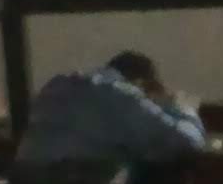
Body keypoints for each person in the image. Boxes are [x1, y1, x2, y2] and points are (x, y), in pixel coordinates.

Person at [15, 51, 207, 174]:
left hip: (26, 183)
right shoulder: (120, 92)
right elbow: (185, 141)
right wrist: (184, 109)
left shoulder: (58, 84)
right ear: (141, 83)